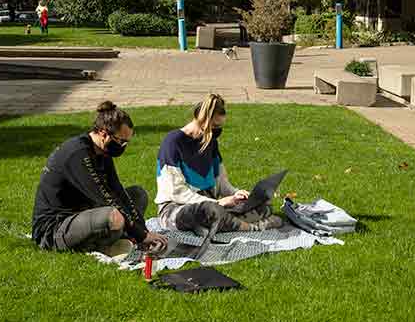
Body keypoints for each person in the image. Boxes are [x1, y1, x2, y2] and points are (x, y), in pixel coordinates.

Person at [31, 101, 167, 255]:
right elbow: (106, 197)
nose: (123, 147)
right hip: (55, 227)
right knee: (113, 216)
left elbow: (117, 190)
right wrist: (142, 235)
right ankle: (105, 245)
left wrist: (143, 230)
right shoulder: (77, 154)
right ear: (103, 134)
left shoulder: (102, 151)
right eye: (121, 141)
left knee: (138, 194)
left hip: (84, 212)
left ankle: (119, 239)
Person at [155, 93, 282, 235]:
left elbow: (221, 182)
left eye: (220, 126)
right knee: (210, 211)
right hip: (177, 209)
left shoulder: (211, 142)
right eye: (215, 126)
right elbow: (177, 192)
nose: (217, 130)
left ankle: (214, 227)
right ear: (202, 120)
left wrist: (236, 194)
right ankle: (253, 227)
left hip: (210, 203)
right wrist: (218, 203)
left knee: (264, 205)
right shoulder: (173, 142)